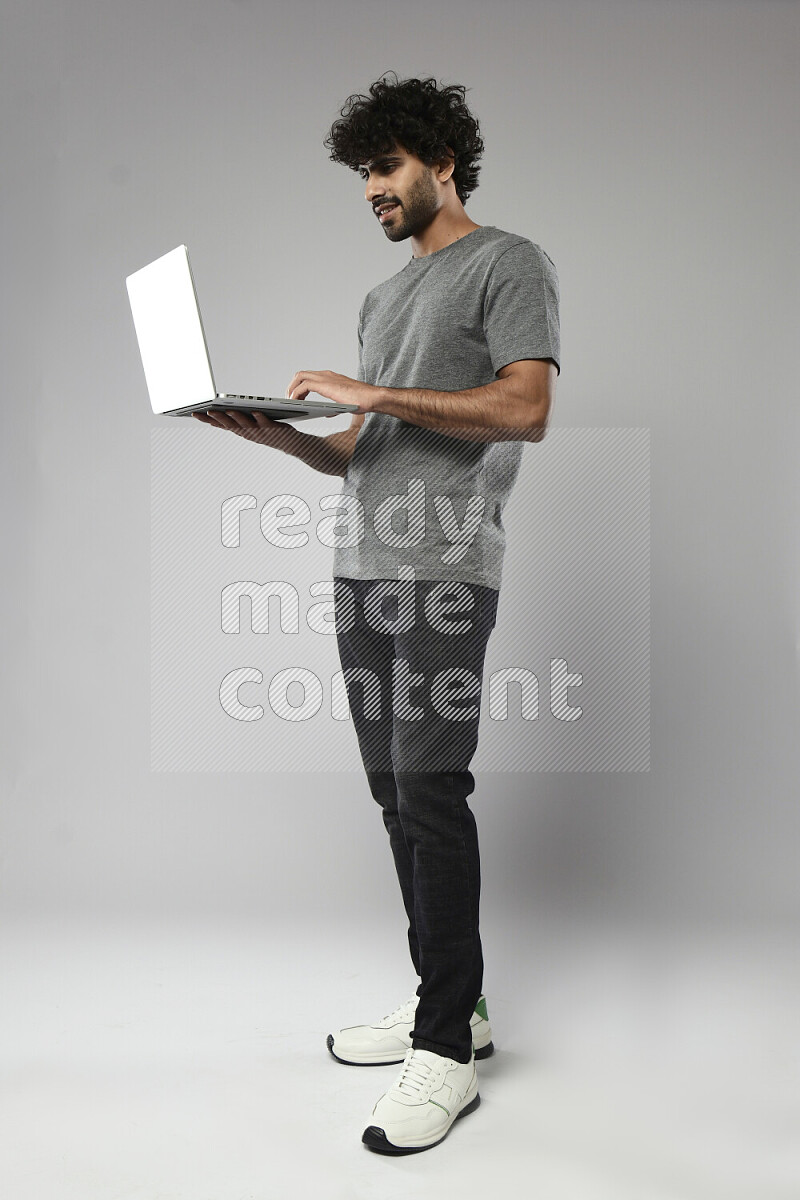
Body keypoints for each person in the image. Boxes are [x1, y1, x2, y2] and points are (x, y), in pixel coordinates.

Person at [194, 71, 560, 1155]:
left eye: (388, 167)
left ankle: (442, 1053)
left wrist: (372, 396)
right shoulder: (381, 299)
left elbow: (527, 408)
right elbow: (368, 446)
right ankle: (460, 1007)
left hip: (444, 569)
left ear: (443, 162)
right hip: (361, 564)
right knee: (393, 796)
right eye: (362, 173)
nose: (373, 189)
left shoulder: (507, 263)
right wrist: (287, 437)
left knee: (432, 791)